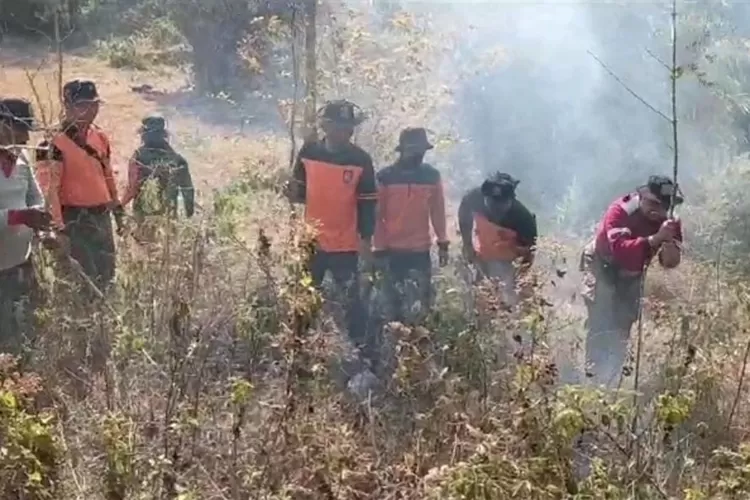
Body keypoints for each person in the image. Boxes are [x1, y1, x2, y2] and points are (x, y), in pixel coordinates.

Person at [288, 99, 378, 366]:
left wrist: (366, 241)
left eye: (349, 127)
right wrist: (290, 191)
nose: (345, 132)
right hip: (311, 241)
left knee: (353, 304)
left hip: (345, 245)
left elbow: (368, 204)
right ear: (325, 125)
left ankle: (364, 355)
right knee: (305, 299)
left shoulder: (361, 160)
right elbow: (299, 192)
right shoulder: (309, 152)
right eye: (339, 126)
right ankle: (298, 352)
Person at [580, 175, 683, 388]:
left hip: (632, 273)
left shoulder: (669, 222)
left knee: (623, 322)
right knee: (601, 317)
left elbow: (670, 263)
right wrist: (655, 239)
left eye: (663, 206)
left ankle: (612, 376)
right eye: (653, 203)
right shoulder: (621, 210)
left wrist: (669, 240)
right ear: (642, 195)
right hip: (602, 263)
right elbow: (621, 252)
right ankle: (592, 377)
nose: (657, 210)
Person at [36, 79, 124, 292]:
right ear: (67, 107)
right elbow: (49, 190)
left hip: (101, 216)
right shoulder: (51, 143)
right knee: (80, 281)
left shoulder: (99, 136)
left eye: (94, 104)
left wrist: (117, 207)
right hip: (74, 220)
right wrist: (59, 229)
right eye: (83, 105)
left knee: (107, 274)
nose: (90, 110)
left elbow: (107, 173)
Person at [372, 127, 448, 324]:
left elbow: (437, 211)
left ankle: (418, 346)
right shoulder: (385, 177)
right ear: (403, 149)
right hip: (390, 251)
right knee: (391, 305)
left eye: (421, 149)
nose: (418, 153)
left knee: (422, 305)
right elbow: (376, 216)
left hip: (420, 251)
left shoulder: (432, 176)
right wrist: (379, 248)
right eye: (414, 149)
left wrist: (443, 242)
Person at [0, 98, 51, 352]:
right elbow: (20, 212)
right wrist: (19, 217)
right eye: (19, 128)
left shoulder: (20, 158)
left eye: (27, 129)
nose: (24, 136)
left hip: (20, 262)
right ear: (2, 124)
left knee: (25, 327)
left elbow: (35, 196)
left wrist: (41, 221)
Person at [458, 172, 538, 308]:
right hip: (483, 256)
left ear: (511, 200)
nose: (496, 210)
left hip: (509, 263)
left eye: (501, 205)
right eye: (492, 203)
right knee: (479, 298)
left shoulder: (524, 219)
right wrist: (467, 245)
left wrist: (518, 281)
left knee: (506, 303)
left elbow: (529, 253)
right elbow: (464, 215)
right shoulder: (473, 198)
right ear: (485, 198)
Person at [121, 116, 194, 234]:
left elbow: (132, 187)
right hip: (168, 216)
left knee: (145, 246)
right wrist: (189, 215)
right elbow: (188, 189)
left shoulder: (138, 157)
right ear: (164, 135)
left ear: (143, 135)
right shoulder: (177, 159)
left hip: (144, 216)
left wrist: (120, 206)